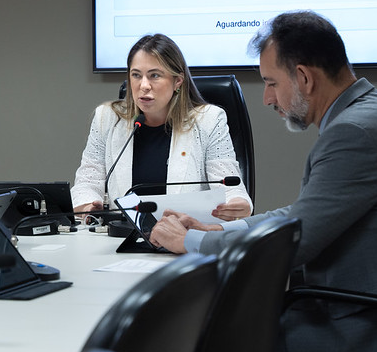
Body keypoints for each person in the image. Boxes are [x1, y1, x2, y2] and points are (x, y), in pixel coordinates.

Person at [150, 11, 377, 352]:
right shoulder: (370, 114)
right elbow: (302, 212)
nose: (266, 98)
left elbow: (296, 241)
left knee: (186, 344)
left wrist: (191, 241)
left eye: (271, 83)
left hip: (357, 331)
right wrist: (225, 226)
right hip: (358, 312)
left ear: (305, 78)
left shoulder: (353, 133)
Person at [71, 34, 252, 221]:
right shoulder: (107, 118)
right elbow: (87, 182)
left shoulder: (209, 121)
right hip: (121, 238)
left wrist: (236, 204)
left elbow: (228, 186)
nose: (143, 86)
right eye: (136, 75)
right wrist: (89, 206)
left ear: (177, 81)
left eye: (154, 75)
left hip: (183, 237)